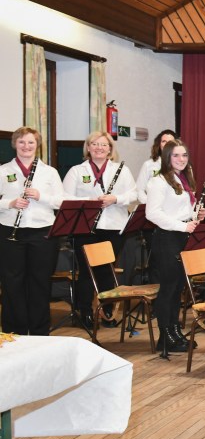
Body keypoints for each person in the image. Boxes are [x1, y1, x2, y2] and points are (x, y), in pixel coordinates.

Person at [63, 131, 138, 329]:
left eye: (104, 145)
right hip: (85, 228)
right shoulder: (76, 171)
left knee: (106, 271)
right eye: (95, 144)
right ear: (88, 148)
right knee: (86, 272)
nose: (99, 148)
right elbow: (65, 197)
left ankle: (107, 311)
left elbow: (134, 194)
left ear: (110, 149)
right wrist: (90, 201)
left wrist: (116, 199)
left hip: (113, 227)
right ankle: (85, 312)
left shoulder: (121, 170)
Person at [0, 127, 63, 336]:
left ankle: (39, 331)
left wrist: (40, 196)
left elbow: (61, 201)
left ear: (37, 145)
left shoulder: (50, 172)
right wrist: (10, 203)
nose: (26, 146)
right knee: (12, 283)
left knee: (40, 282)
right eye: (21, 142)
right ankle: (14, 331)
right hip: (10, 230)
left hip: (43, 232)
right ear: (14, 144)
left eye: (30, 142)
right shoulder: (3, 170)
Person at [147, 140, 205, 353]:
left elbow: (180, 210)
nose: (181, 159)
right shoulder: (158, 181)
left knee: (177, 289)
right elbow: (152, 213)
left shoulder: (183, 179)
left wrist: (196, 214)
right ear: (167, 158)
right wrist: (182, 226)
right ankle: (165, 336)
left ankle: (175, 331)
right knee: (168, 289)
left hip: (182, 237)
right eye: (176, 155)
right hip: (167, 238)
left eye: (184, 155)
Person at [136, 129, 177, 203]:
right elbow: (139, 190)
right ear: (159, 144)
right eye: (164, 141)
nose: (167, 144)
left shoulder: (181, 165)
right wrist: (149, 203)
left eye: (170, 142)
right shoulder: (148, 165)